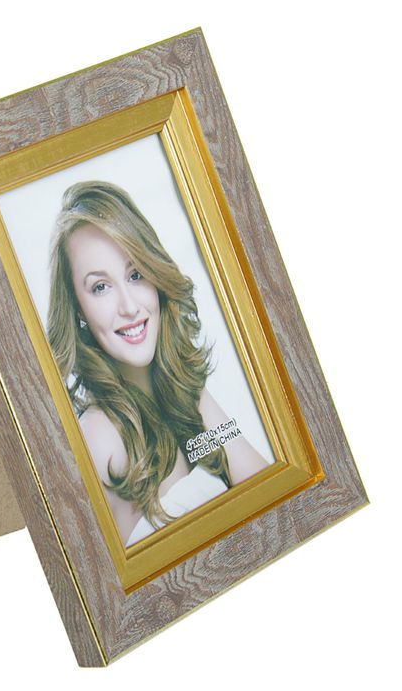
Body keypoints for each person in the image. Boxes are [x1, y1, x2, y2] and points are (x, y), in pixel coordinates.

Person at [47, 181, 270, 546]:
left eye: (135, 274)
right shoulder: (98, 438)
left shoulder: (185, 389)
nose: (129, 306)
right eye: (100, 287)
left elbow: (269, 496)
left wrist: (190, 389)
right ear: (78, 309)